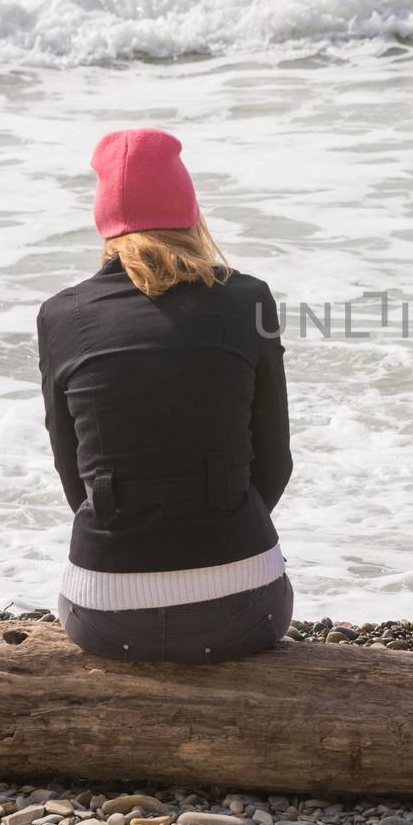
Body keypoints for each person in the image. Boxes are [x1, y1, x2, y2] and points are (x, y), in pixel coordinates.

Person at [37, 128, 293, 663]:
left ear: (104, 220)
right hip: (243, 607)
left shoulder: (61, 315)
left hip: (106, 613)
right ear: (188, 212)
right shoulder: (249, 298)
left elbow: (72, 477)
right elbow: (274, 463)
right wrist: (218, 525)